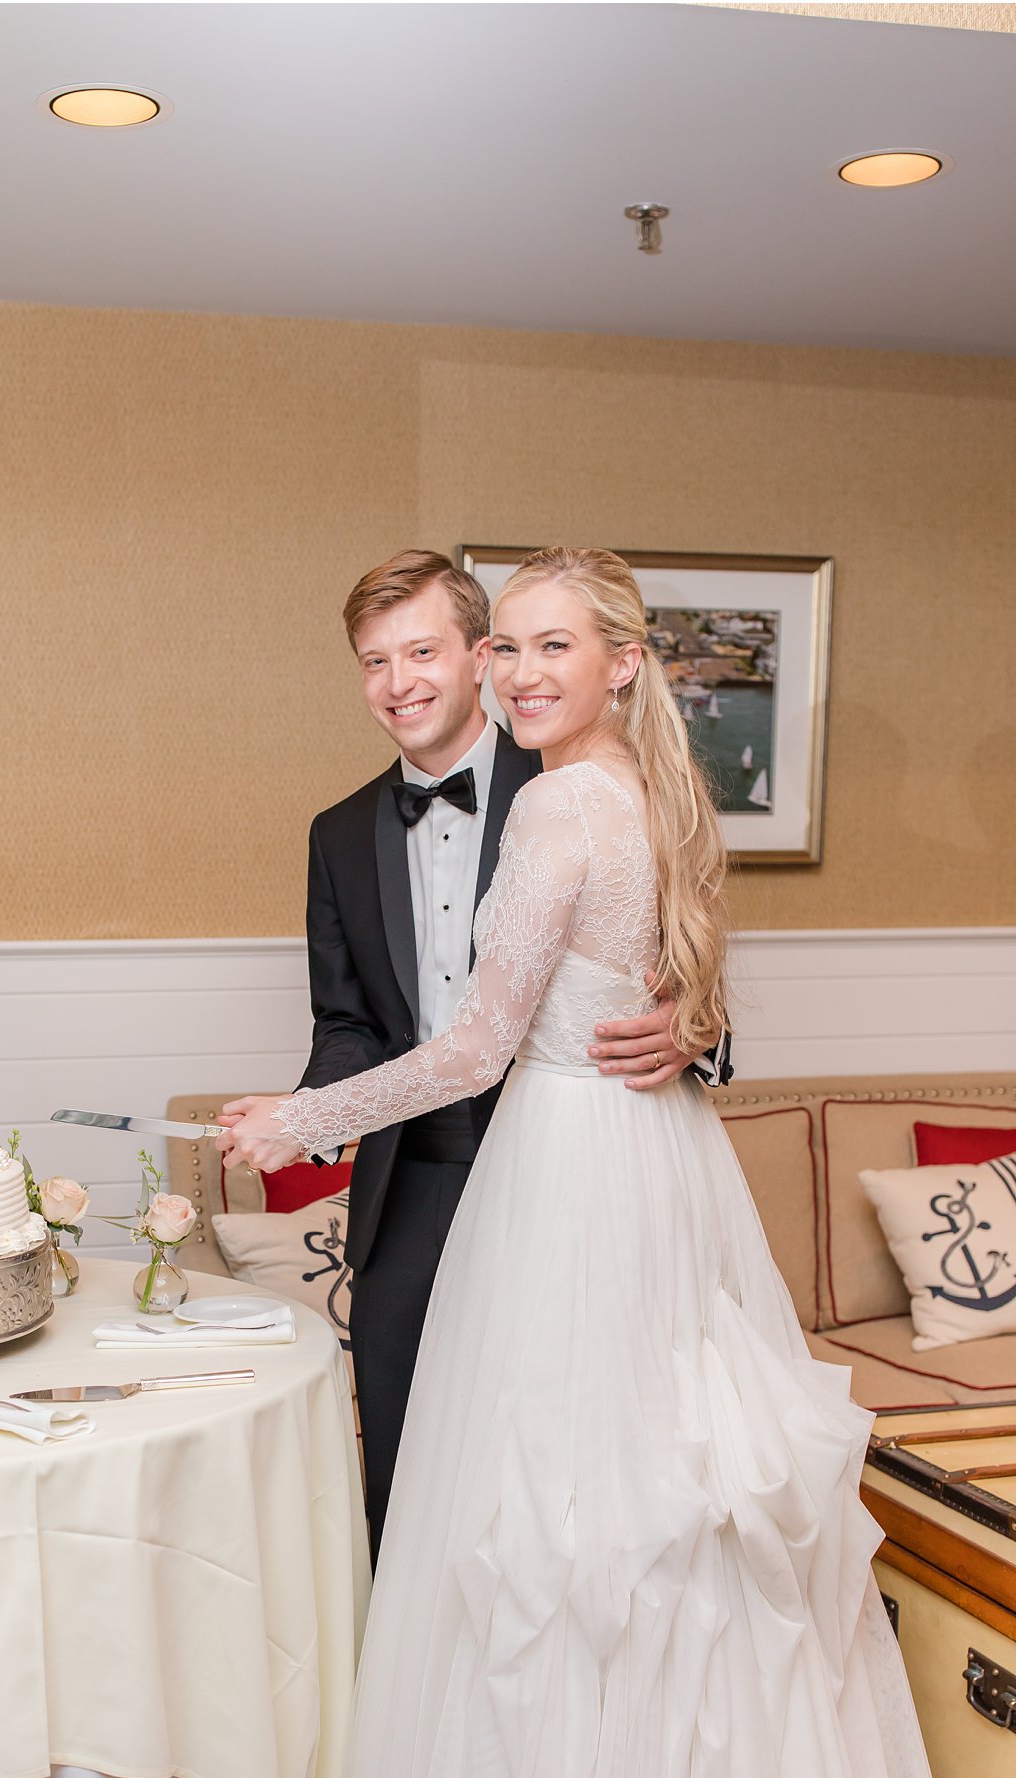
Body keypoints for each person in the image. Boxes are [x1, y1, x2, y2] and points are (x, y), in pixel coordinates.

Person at [220, 547, 986, 1778]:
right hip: (530, 1192)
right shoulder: (616, 792)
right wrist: (329, 1100)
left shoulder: (560, 794)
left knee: (557, 1548)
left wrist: (291, 1124)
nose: (485, 675)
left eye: (514, 647)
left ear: (619, 660)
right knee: (536, 1543)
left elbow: (512, 1033)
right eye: (492, 648)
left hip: (565, 1185)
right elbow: (387, 1018)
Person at [226, 550, 729, 1567]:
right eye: (374, 662)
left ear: (472, 659)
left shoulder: (566, 778)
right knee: (409, 1481)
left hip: (564, 1175)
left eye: (422, 651)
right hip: (412, 1180)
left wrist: (694, 1030)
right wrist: (304, 1113)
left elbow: (669, 961)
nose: (399, 682)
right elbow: (347, 1024)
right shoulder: (335, 834)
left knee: (568, 1480)